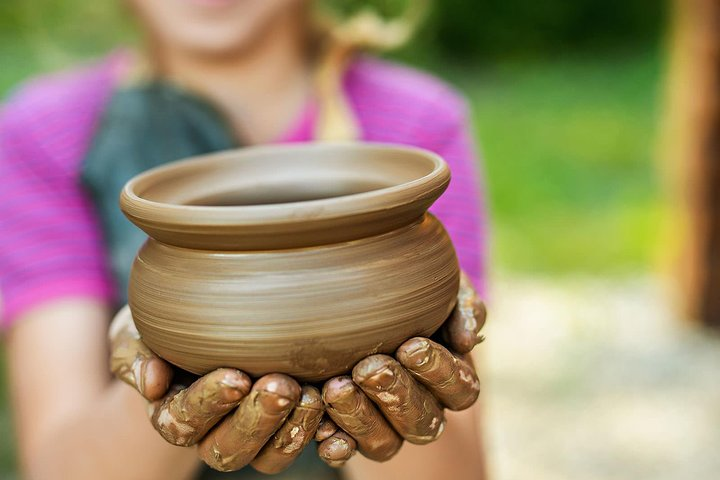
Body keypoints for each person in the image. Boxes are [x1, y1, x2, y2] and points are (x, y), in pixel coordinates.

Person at [0, 1, 488, 478]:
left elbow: (462, 470)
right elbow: (57, 468)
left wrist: (396, 384)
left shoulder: (417, 124)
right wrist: (168, 382)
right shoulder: (45, 134)